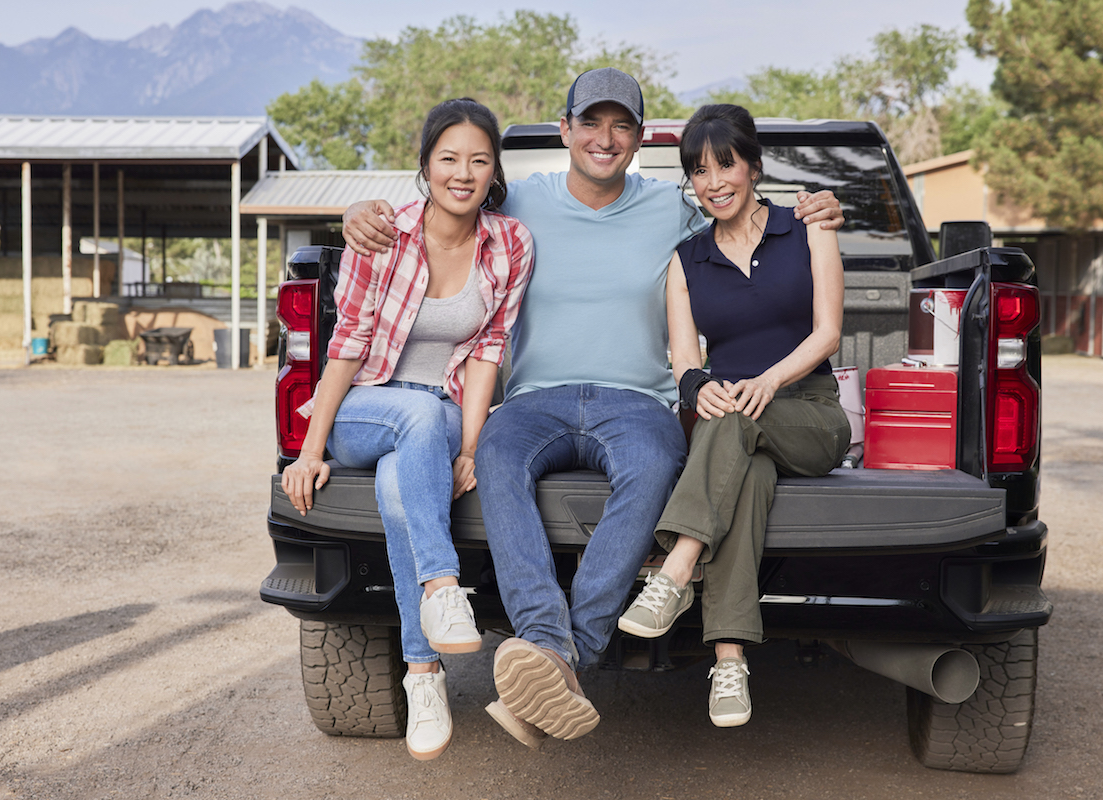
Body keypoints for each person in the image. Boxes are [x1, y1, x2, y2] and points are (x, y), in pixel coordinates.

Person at [342, 69, 844, 747]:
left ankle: (556, 654)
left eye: (622, 125)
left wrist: (815, 207)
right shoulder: (518, 201)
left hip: (636, 403)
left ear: (640, 138)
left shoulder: (674, 207)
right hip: (532, 401)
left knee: (656, 466)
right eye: (591, 122)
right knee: (495, 455)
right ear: (565, 130)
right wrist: (359, 214)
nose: (605, 138)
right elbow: (445, 203)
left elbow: (743, 214)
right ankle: (557, 647)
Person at [281, 98, 534, 761]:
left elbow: (487, 353)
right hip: (366, 408)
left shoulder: (509, 243)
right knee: (411, 420)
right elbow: (347, 344)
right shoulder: (384, 234)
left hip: (443, 414)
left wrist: (472, 448)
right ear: (425, 164)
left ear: (493, 171)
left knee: (402, 487)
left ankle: (423, 674)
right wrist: (310, 451)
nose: (463, 172)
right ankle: (442, 588)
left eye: (479, 160)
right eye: (449, 158)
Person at [615, 104, 852, 728]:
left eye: (726, 164)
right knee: (743, 479)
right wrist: (702, 390)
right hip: (738, 431)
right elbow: (687, 364)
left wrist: (764, 382)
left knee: (736, 413)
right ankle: (729, 661)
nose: (714, 181)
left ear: (753, 165)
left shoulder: (808, 228)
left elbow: (828, 333)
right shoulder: (686, 260)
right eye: (698, 171)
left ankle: (675, 570)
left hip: (811, 415)